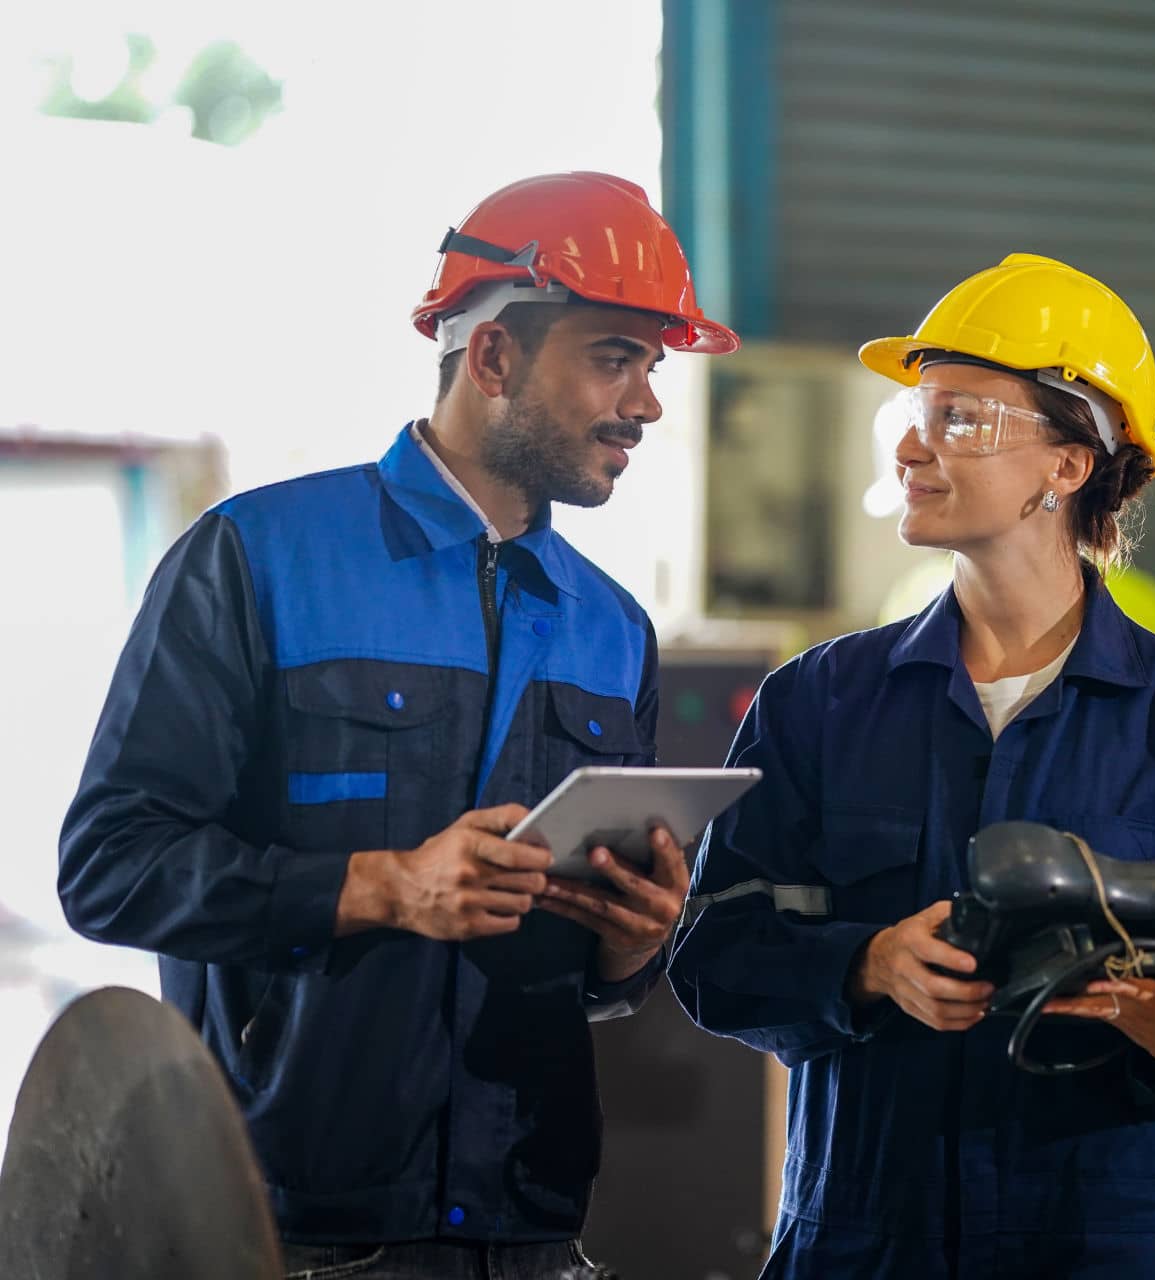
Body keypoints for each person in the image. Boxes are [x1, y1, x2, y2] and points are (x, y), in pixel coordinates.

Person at [58, 172, 736, 1279]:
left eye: (653, 366)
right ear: (495, 358)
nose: (647, 403)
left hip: (530, 1229)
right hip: (293, 1228)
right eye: (615, 356)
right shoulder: (257, 559)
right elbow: (110, 867)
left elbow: (592, 980)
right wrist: (384, 885)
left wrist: (631, 944)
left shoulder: (612, 628)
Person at [668, 253, 1155, 1278]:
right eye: (914, 415)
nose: (915, 446)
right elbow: (712, 954)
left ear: (1069, 464)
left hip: (1094, 1241)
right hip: (867, 1233)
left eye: (961, 418)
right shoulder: (818, 702)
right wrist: (865, 965)